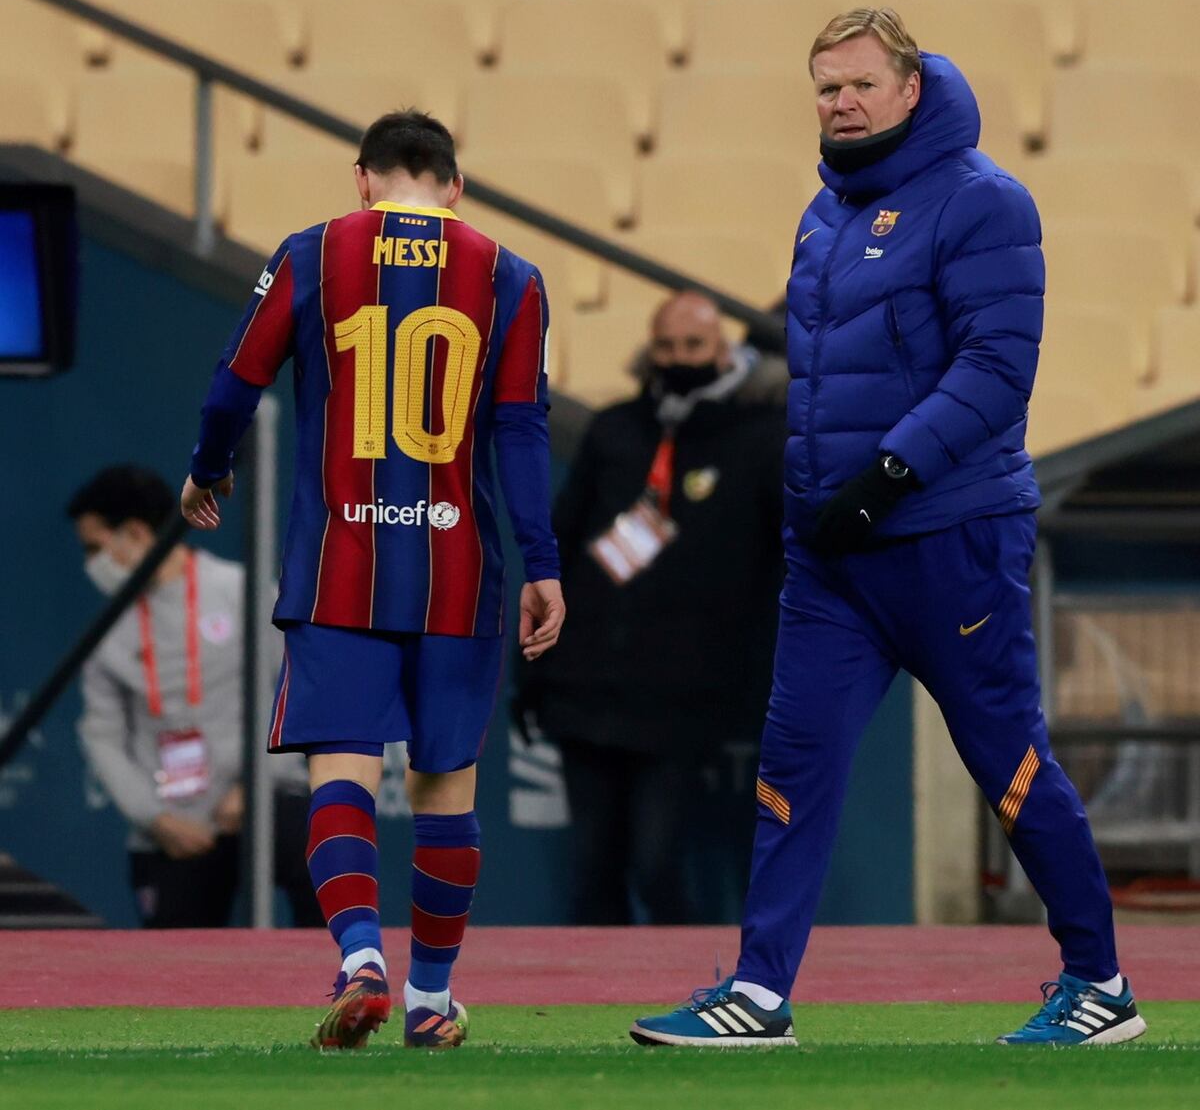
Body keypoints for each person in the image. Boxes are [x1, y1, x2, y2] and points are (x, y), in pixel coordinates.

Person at [632, 8, 1145, 1048]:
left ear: (911, 89)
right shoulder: (822, 215)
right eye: (827, 87)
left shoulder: (985, 200)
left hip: (951, 537)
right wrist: (821, 501)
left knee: (1007, 761)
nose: (843, 103)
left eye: (862, 84)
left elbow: (997, 371)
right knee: (793, 762)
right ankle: (759, 991)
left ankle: (1100, 980)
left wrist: (887, 474)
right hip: (833, 554)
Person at [179, 110, 564, 1051]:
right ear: (455, 185)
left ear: (362, 179)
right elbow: (521, 429)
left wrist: (208, 468)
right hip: (458, 569)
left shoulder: (312, 254)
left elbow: (234, 381)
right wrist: (543, 562)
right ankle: (430, 998)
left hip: (338, 566)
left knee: (341, 769)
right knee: (445, 790)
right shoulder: (513, 276)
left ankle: (361, 958)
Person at [519, 291, 786, 924]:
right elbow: (558, 551)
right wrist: (532, 675)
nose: (679, 358)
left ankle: (679, 981)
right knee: (591, 874)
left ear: (724, 351)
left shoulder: (759, 441)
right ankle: (597, 988)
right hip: (586, 689)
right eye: (666, 346)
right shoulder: (615, 430)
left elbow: (774, 571)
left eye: (695, 346)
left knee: (657, 865)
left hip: (684, 698)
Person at [67, 464, 320, 929]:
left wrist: (254, 787)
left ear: (136, 533)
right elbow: (102, 736)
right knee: (174, 948)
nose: (90, 565)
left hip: (261, 798)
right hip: (174, 826)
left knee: (320, 855)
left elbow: (296, 690)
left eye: (95, 548)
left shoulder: (239, 591)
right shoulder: (108, 629)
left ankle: (342, 972)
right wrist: (157, 820)